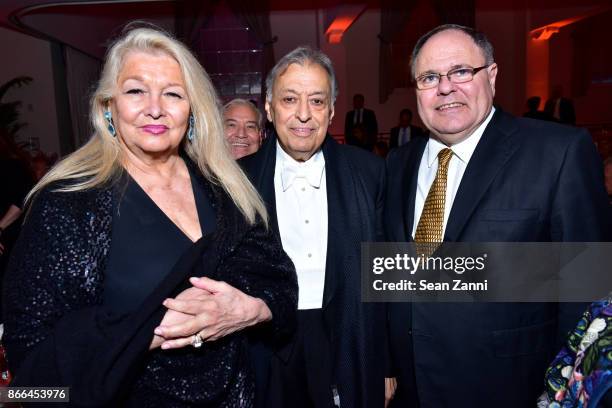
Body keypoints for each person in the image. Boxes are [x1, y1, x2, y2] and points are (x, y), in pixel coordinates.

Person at [3, 26, 297, 406]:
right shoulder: (67, 203)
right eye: (136, 90)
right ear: (108, 106)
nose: (155, 108)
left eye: (173, 93)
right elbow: (32, 357)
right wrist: (146, 332)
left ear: (190, 110)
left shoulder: (223, 189)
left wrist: (252, 309)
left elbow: (277, 277)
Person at [384, 24, 611, 407]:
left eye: (461, 71)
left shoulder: (558, 153)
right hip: (413, 389)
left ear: (491, 75)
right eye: (429, 77)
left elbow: (587, 290)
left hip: (512, 389)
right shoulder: (397, 164)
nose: (445, 87)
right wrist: (387, 364)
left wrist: (561, 392)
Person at [241, 46, 391, 408]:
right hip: (266, 344)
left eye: (317, 101)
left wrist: (386, 363)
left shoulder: (370, 173)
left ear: (333, 110)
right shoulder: (238, 179)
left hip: (348, 336)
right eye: (290, 99)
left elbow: (383, 275)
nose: (304, 115)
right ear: (269, 107)